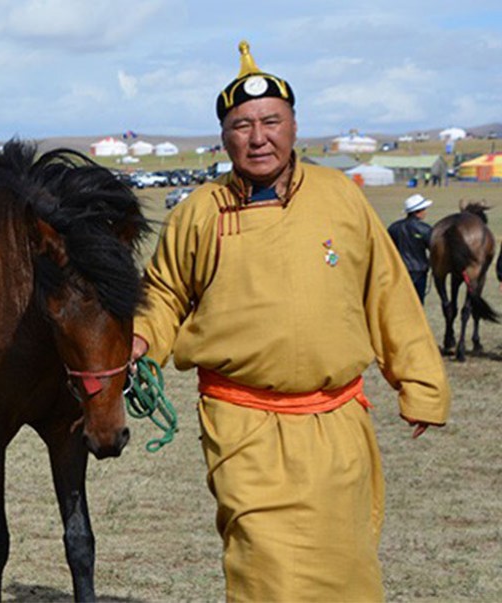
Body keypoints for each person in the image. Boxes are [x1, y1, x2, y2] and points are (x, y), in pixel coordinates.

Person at [131, 40, 450, 602]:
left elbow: (388, 291)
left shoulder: (340, 198)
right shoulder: (199, 212)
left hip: (337, 421)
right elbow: (162, 294)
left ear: (295, 125)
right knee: (264, 565)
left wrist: (421, 384)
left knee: (347, 566)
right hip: (242, 421)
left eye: (271, 121)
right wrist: (140, 341)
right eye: (242, 125)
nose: (259, 137)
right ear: (224, 136)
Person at [387, 193, 434, 303]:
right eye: (424, 209)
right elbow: (433, 248)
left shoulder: (393, 227)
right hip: (419, 271)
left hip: (398, 271)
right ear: (418, 211)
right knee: (417, 304)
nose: (425, 212)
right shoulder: (424, 229)